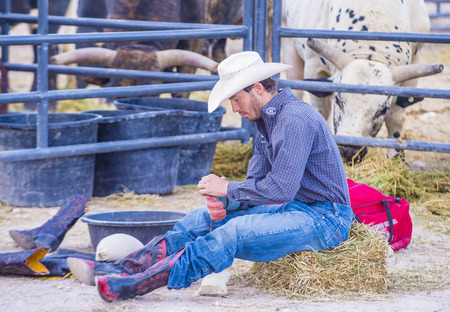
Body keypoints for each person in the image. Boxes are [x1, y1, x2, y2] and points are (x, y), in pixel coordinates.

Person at [70, 51, 354, 302]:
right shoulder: (267, 122)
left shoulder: (294, 120)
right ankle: (124, 268)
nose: (234, 109)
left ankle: (137, 284)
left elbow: (280, 188)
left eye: (236, 98)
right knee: (198, 219)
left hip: (326, 218)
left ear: (257, 88)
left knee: (231, 232)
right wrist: (226, 201)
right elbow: (256, 184)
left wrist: (227, 187)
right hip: (293, 208)